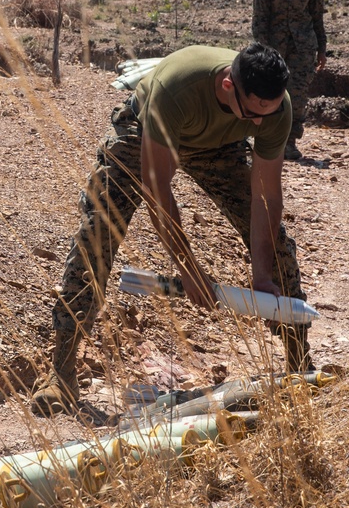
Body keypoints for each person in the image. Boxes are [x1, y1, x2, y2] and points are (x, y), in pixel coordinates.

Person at [30, 43, 312, 417]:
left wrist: (262, 275)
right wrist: (188, 267)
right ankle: (61, 372)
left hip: (219, 144)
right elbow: (156, 187)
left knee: (277, 247)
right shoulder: (176, 90)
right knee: (97, 234)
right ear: (229, 85)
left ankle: (299, 366)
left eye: (268, 114)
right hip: (145, 132)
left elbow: (266, 197)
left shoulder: (274, 107)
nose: (260, 123)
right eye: (253, 114)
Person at [252, 0, 326, 162]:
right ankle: (267, 141)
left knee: (296, 94)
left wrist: (322, 49)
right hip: (273, 46)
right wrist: (261, 50)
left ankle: (290, 142)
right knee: (268, 92)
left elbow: (317, 17)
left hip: (303, 47)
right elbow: (259, 16)